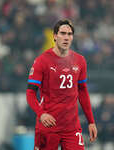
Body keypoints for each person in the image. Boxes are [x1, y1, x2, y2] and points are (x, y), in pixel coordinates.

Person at [26, 19, 97, 150]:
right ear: (54, 36)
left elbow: (82, 91)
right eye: (63, 33)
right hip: (49, 125)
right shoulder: (42, 61)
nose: (66, 37)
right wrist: (41, 114)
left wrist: (91, 121)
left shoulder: (80, 61)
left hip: (71, 127)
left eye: (69, 34)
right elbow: (30, 93)